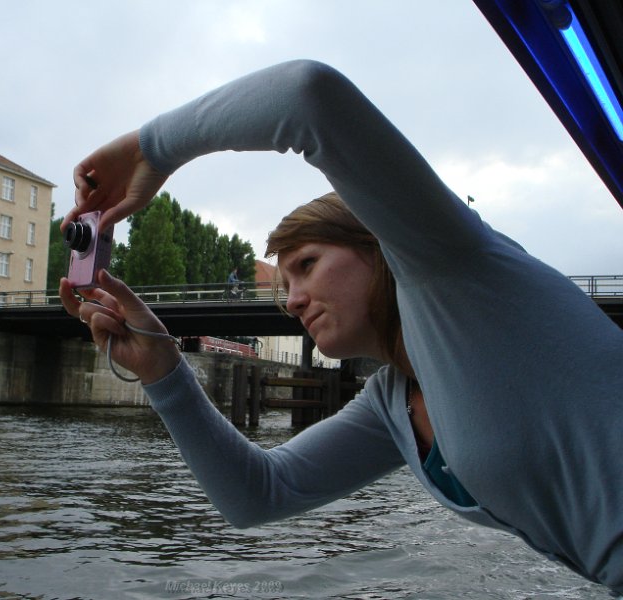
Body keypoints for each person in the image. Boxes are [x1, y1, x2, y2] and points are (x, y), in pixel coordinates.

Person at [58, 60, 623, 594]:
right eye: (283, 288)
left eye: (306, 266)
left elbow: (306, 95)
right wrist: (163, 368)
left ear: (380, 248)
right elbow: (257, 495)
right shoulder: (393, 401)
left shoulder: (454, 271)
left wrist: (150, 149)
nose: (294, 302)